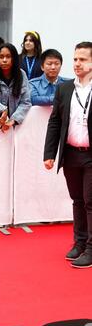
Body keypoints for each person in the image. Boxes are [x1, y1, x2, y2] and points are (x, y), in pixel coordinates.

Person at [44, 41, 92, 268]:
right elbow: (55, 122)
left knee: (90, 200)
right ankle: (80, 242)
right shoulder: (64, 89)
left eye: (82, 59)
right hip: (71, 153)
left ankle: (91, 248)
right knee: (78, 200)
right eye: (75, 59)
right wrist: (49, 153)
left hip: (91, 155)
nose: (77, 63)